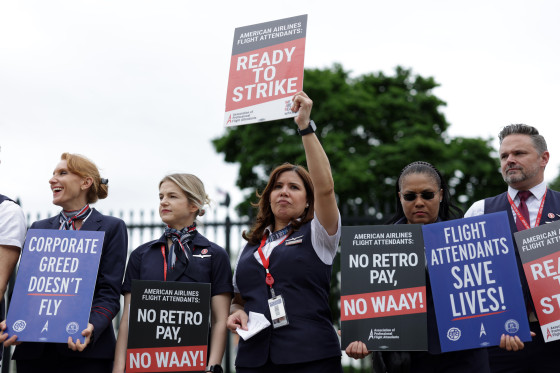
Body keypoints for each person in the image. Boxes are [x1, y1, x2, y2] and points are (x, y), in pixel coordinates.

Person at [226, 91, 342, 373]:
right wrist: (235, 314)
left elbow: (326, 187)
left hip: (310, 358)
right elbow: (239, 301)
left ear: (307, 199)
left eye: (294, 187)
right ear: (268, 196)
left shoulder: (319, 233)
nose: (284, 192)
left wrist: (305, 127)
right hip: (254, 360)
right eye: (278, 186)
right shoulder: (252, 245)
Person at [345, 161, 490, 373]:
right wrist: (359, 337)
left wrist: (505, 328)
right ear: (400, 197)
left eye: (427, 195)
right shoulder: (374, 246)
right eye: (410, 196)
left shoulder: (467, 238)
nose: (419, 202)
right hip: (402, 361)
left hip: (463, 357)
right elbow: (368, 310)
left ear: (440, 195)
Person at [0, 152, 128, 373]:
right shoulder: (39, 228)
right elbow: (25, 287)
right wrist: (15, 321)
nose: (52, 180)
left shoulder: (111, 227)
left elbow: (109, 292)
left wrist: (91, 327)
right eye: (52, 174)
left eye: (62, 173)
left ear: (85, 182)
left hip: (86, 352)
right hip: (34, 353)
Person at [113, 173, 232, 373]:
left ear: (194, 205)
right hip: (145, 364)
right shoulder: (141, 255)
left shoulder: (215, 254)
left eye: (172, 196)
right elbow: (127, 319)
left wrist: (213, 366)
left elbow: (220, 319)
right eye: (161, 197)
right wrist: (118, 369)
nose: (163, 202)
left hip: (194, 364)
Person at [464, 124, 559, 372]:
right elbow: (466, 280)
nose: (510, 160)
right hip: (502, 342)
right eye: (504, 156)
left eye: (519, 153)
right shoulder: (479, 211)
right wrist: (493, 325)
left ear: (544, 158)